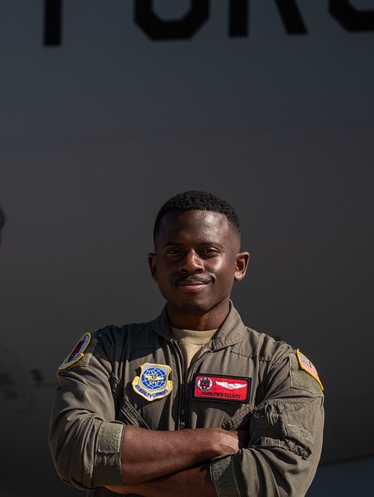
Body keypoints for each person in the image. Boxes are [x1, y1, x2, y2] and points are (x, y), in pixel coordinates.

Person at [48, 190, 324, 497]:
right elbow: (76, 452)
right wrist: (210, 441)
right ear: (154, 267)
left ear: (239, 265)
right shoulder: (108, 351)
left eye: (207, 251)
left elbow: (273, 481)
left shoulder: (279, 367)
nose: (190, 264)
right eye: (173, 251)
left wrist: (131, 480)